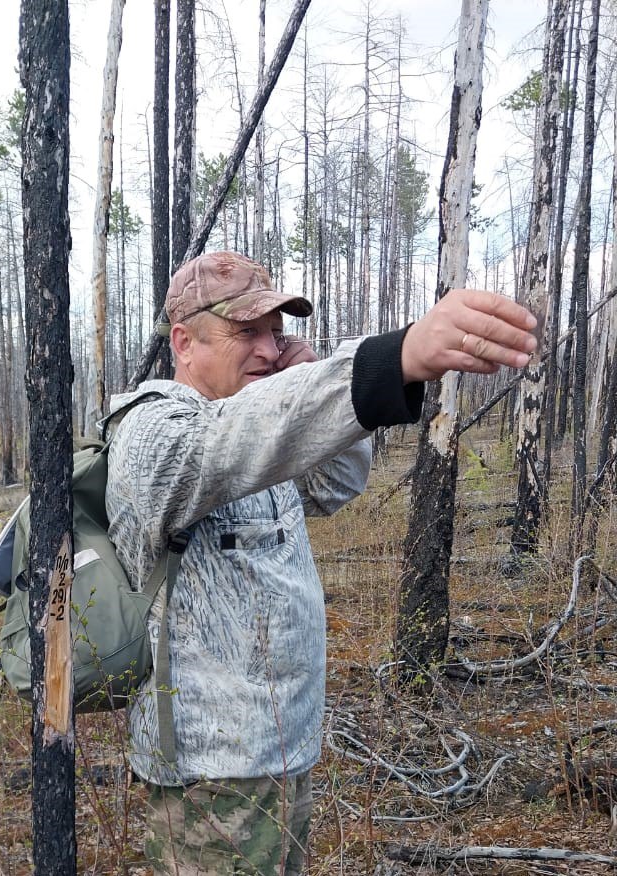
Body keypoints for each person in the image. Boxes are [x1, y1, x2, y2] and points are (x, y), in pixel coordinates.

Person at [102, 251, 537, 875]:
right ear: (184, 343)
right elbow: (226, 443)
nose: (267, 348)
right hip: (210, 774)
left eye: (275, 332)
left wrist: (307, 384)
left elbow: (333, 483)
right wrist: (393, 359)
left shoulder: (258, 425)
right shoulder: (154, 429)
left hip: (281, 750)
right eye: (245, 331)